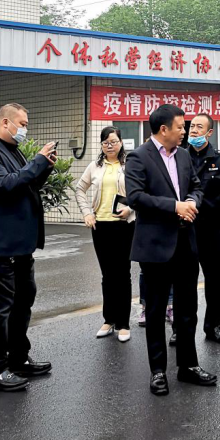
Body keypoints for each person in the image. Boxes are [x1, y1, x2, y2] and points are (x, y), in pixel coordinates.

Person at [125, 104, 216, 396]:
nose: (185, 132)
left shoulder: (184, 155)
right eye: (180, 127)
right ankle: (158, 371)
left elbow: (197, 187)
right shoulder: (139, 157)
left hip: (185, 243)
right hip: (156, 246)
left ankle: (188, 366)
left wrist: (191, 202)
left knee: (188, 309)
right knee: (155, 311)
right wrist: (175, 206)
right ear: (163, 129)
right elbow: (136, 197)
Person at [0, 103, 56, 392]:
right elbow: (6, 185)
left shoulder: (12, 150)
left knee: (22, 303)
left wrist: (44, 168)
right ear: (5, 122)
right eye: (22, 123)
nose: (25, 129)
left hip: (19, 246)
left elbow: (26, 185)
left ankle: (18, 358)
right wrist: (37, 162)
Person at [75, 126, 135, 343]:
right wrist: (87, 213)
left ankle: (124, 323)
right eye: (106, 143)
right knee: (107, 275)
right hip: (101, 226)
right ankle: (109, 320)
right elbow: (79, 189)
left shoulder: (130, 165)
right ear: (101, 145)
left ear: (121, 142)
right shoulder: (95, 166)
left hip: (124, 225)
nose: (110, 146)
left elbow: (142, 192)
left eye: (114, 141)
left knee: (123, 274)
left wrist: (131, 209)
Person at [186, 113, 220, 345]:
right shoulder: (180, 157)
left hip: (210, 228)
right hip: (185, 228)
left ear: (209, 132)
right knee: (185, 280)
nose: (194, 131)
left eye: (199, 127)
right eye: (192, 127)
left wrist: (202, 208)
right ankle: (181, 327)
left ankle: (214, 325)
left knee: (214, 280)